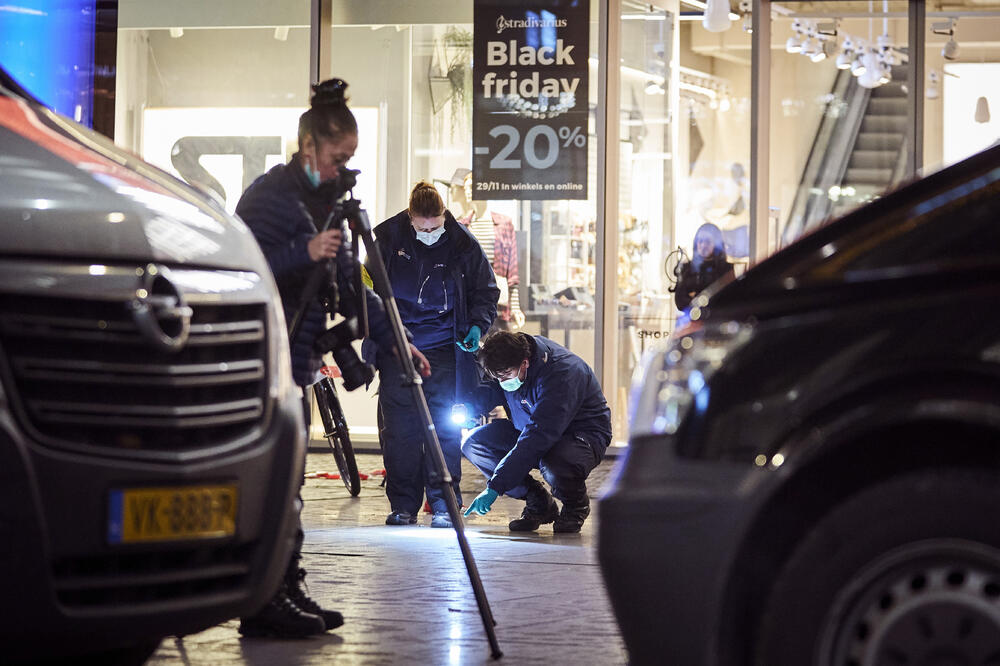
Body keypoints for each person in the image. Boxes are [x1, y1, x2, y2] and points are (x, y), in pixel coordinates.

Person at [235, 78, 430, 638]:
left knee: (291, 477)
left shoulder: (329, 206)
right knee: (278, 476)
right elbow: (243, 265)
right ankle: (266, 596)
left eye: (351, 159)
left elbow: (353, 287)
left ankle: (284, 586)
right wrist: (304, 251)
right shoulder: (269, 198)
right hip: (267, 352)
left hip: (300, 353)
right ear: (309, 150)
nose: (346, 168)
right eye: (339, 157)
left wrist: (397, 340)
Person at [367, 181, 499, 528]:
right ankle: (403, 506)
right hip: (398, 348)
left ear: (444, 217)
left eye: (435, 226)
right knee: (400, 431)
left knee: (443, 428)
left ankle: (444, 505)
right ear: (410, 218)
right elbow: (366, 289)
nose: (429, 232)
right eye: (422, 227)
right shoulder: (387, 240)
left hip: (444, 350)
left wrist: (476, 326)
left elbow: (486, 291)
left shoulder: (462, 243)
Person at [461, 331, 612, 534]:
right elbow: (493, 390)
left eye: (505, 375)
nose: (503, 381)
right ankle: (539, 502)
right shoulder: (507, 362)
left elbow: (539, 435)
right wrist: (469, 407)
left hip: (580, 437)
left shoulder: (562, 373)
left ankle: (575, 505)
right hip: (531, 430)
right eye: (497, 377)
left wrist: (495, 487)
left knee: (554, 464)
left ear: (525, 363)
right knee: (475, 444)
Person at [673, 221, 735, 311]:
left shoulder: (726, 269)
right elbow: (680, 302)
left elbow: (728, 301)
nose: (703, 245)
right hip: (693, 322)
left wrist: (694, 297)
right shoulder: (686, 268)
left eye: (708, 241)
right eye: (700, 241)